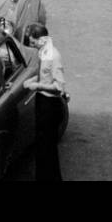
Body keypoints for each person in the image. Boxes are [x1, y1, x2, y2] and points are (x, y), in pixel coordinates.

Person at [23, 22, 67, 181]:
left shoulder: (53, 56)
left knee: (48, 148)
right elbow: (44, 77)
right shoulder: (43, 52)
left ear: (41, 39)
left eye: (33, 42)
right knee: (41, 147)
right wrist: (33, 80)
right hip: (41, 102)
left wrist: (37, 86)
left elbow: (58, 86)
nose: (32, 45)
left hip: (50, 105)